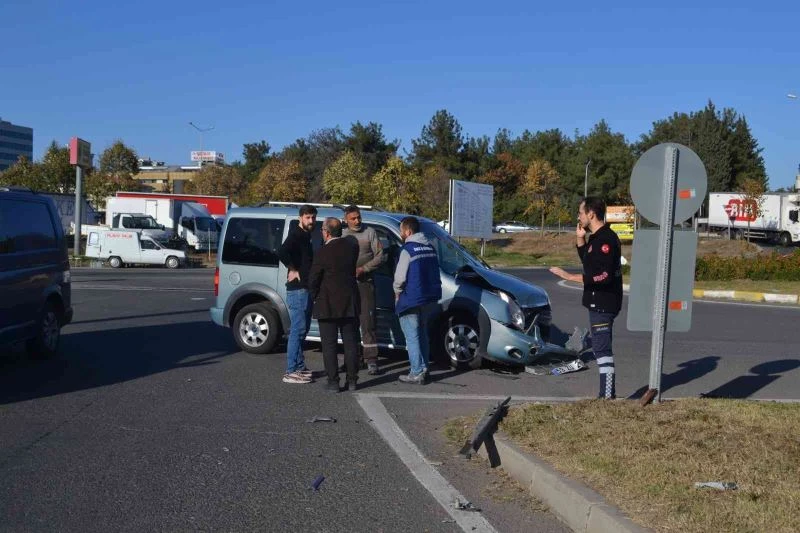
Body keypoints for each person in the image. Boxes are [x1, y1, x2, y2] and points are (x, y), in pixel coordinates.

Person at [549, 196, 623, 399]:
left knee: (601, 349)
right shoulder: (597, 238)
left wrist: (569, 276)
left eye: (581, 213)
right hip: (598, 301)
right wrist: (580, 240)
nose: (578, 216)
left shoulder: (606, 239)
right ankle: (607, 394)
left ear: (591, 214)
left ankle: (607, 396)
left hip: (604, 301)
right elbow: (590, 262)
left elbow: (604, 275)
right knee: (601, 347)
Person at [309, 217, 361, 392]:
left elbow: (314, 279)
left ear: (327, 232)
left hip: (327, 303)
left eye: (323, 230)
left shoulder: (322, 252)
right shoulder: (352, 248)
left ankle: (333, 382)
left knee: (329, 345)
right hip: (349, 302)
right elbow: (351, 241)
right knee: (351, 343)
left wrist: (315, 296)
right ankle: (352, 380)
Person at [393, 216, 442, 384]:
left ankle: (416, 371)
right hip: (428, 298)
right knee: (422, 334)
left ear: (408, 231)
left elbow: (400, 278)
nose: (401, 234)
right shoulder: (430, 247)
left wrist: (397, 292)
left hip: (411, 298)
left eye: (401, 231)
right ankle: (425, 368)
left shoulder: (407, 249)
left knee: (411, 336)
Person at [342, 205, 385, 375]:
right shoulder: (343, 234)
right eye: (353, 218)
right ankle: (352, 359)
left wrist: (364, 268)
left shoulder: (370, 232)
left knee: (368, 322)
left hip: (366, 283)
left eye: (358, 217)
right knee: (349, 323)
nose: (357, 221)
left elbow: (380, 255)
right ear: (346, 220)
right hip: (347, 284)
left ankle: (372, 360)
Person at [278, 204, 318, 384]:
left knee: (303, 330)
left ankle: (300, 367)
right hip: (298, 290)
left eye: (313, 217)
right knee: (297, 330)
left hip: (306, 289)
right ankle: (290, 371)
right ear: (301, 217)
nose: (311, 221)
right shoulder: (295, 234)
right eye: (308, 217)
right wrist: (293, 268)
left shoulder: (306, 235)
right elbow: (282, 251)